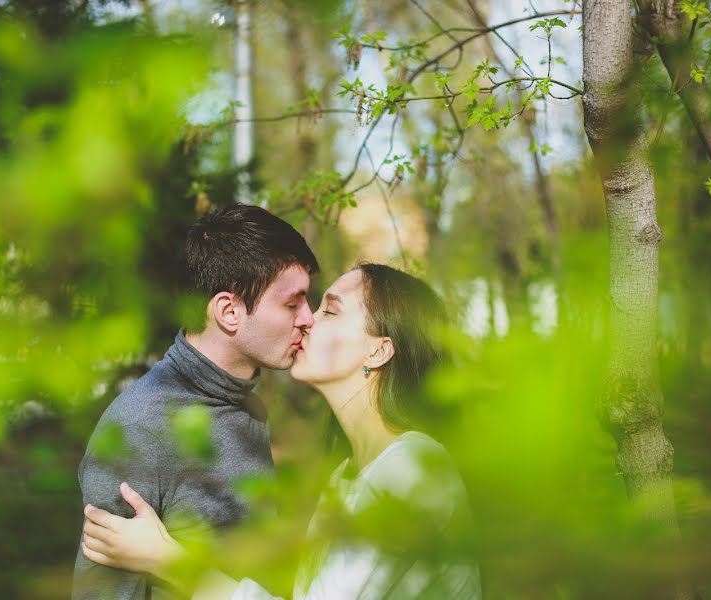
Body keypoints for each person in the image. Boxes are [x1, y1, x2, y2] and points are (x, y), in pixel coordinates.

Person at [81, 264, 483, 599]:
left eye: (330, 310)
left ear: (378, 350)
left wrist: (167, 560)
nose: (306, 321)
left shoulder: (413, 470)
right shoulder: (346, 474)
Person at [72, 204, 320, 600]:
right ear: (229, 311)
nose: (309, 318)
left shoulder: (250, 408)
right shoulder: (140, 427)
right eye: (292, 303)